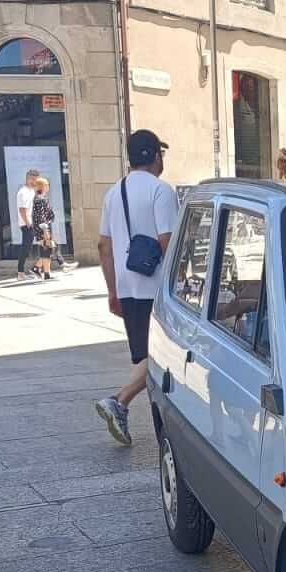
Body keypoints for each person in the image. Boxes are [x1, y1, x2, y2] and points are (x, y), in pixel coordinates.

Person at [94, 129, 175, 446]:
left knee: (144, 355)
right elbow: (168, 241)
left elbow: (103, 246)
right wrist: (180, 283)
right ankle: (119, 400)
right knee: (158, 355)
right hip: (156, 285)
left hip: (128, 285)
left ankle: (121, 405)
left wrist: (113, 291)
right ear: (155, 155)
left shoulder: (114, 192)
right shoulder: (161, 191)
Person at [14, 168, 40, 279]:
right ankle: (21, 273)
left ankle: (37, 268)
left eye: (36, 180)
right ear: (28, 179)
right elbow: (22, 209)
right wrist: (28, 223)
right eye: (34, 179)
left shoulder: (32, 191)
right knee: (26, 248)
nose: (35, 182)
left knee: (45, 243)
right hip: (27, 224)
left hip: (33, 223)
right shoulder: (23, 192)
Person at [31, 175, 56, 279]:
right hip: (42, 228)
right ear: (42, 186)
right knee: (48, 248)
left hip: (44, 227)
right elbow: (40, 216)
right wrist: (45, 230)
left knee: (47, 249)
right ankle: (43, 271)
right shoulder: (40, 199)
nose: (48, 187)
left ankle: (43, 271)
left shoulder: (41, 198)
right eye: (46, 185)